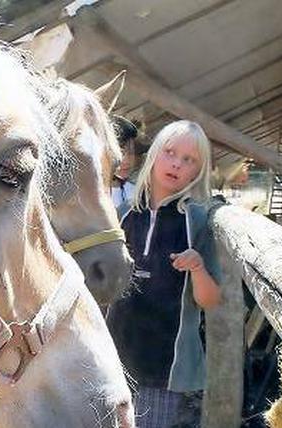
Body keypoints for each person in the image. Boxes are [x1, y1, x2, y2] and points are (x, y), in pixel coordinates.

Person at [105, 120, 223, 428]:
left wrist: (197, 267)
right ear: (155, 154)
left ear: (199, 171)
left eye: (189, 160)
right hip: (112, 355)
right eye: (170, 152)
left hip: (163, 367)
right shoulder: (124, 213)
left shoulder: (199, 219)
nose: (177, 164)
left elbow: (210, 300)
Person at [110, 115, 141, 218]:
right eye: (121, 152)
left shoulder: (137, 193)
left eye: (131, 152)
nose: (127, 160)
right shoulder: (90, 195)